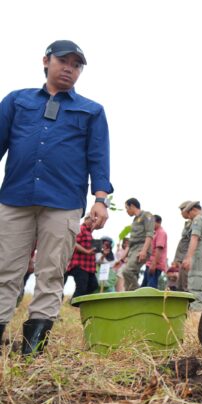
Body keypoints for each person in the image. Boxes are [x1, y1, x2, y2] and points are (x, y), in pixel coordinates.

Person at [0, 40, 112, 354]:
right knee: (6, 269)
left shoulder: (91, 111)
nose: (69, 69)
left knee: (51, 273)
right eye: (64, 61)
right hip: (15, 197)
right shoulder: (17, 101)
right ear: (46, 61)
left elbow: (98, 157)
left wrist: (100, 198)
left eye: (77, 65)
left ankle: (32, 349)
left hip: (63, 203)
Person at [182, 201, 202, 310]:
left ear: (194, 210)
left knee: (195, 290)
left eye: (189, 213)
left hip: (199, 257)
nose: (189, 217)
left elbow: (194, 238)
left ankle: (195, 320)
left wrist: (189, 257)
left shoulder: (198, 219)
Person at [121, 198, 154, 291]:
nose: (126, 211)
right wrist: (122, 257)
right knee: (128, 273)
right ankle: (129, 295)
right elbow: (131, 242)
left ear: (132, 206)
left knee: (127, 271)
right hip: (133, 250)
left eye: (127, 208)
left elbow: (149, 234)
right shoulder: (135, 220)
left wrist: (144, 251)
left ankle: (137, 294)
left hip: (141, 248)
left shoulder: (146, 215)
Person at [65, 215, 98, 302]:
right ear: (86, 219)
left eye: (94, 221)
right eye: (92, 220)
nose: (93, 223)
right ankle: (74, 304)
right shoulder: (81, 229)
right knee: (81, 287)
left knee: (93, 285)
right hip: (80, 264)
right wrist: (86, 251)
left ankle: (77, 301)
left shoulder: (89, 232)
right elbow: (74, 243)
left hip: (89, 266)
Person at [141, 214, 167, 289]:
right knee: (144, 287)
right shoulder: (154, 233)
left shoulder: (161, 233)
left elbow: (159, 249)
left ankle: (151, 301)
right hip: (149, 263)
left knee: (151, 287)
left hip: (155, 265)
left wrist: (154, 264)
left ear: (157, 222)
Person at [172, 200, 193, 292]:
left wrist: (188, 258)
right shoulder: (188, 223)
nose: (181, 213)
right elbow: (183, 242)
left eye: (182, 210)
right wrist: (176, 259)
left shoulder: (196, 223)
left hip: (188, 258)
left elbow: (193, 241)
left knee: (186, 286)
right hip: (182, 257)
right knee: (180, 285)